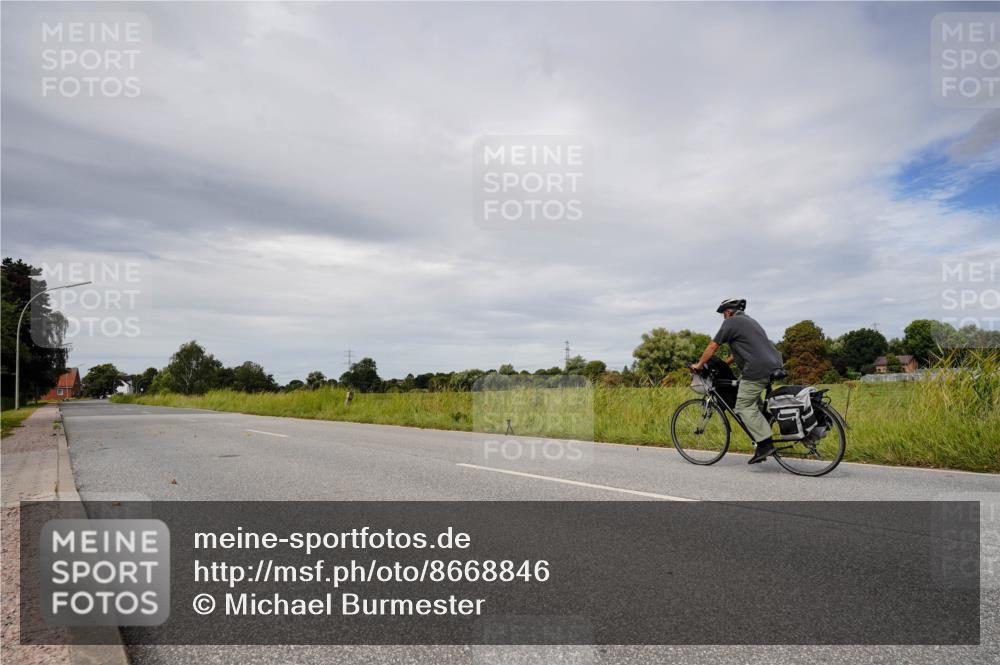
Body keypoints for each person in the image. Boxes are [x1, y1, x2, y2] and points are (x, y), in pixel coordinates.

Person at [690, 298, 783, 465]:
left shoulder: (731, 323)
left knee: (743, 406)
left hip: (756, 369)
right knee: (755, 404)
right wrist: (725, 364)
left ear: (727, 312)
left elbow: (712, 347)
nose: (723, 318)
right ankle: (765, 423)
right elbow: (741, 351)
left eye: (723, 315)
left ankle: (765, 444)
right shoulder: (751, 322)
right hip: (774, 364)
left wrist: (699, 365)